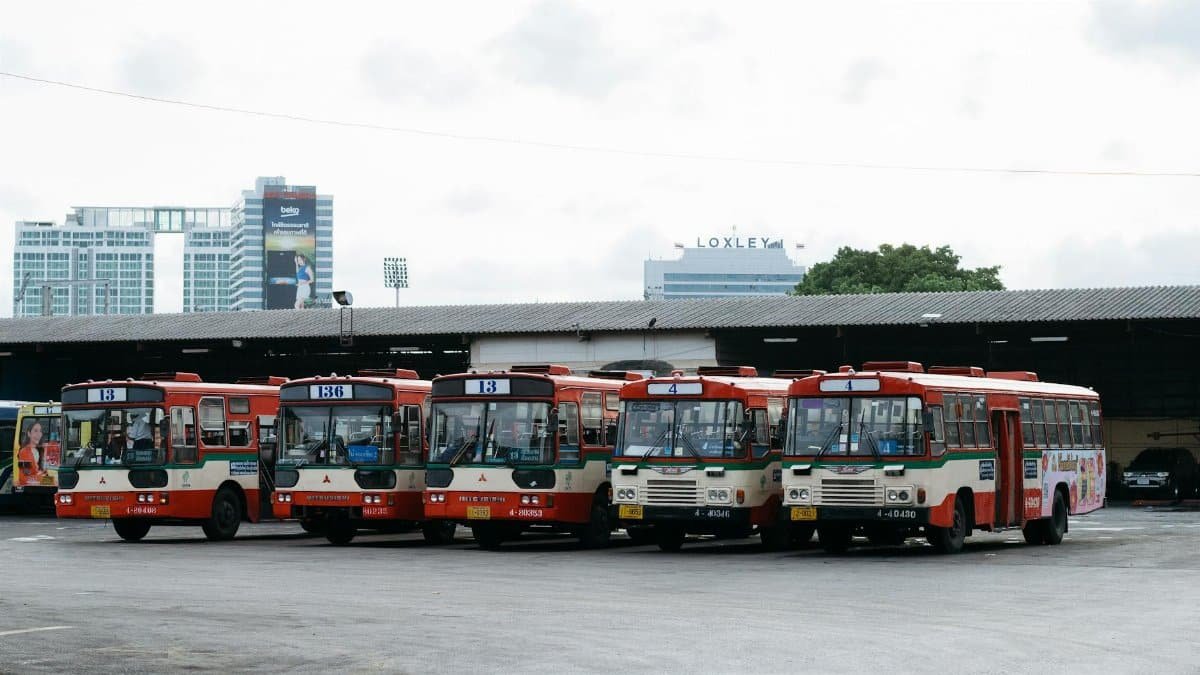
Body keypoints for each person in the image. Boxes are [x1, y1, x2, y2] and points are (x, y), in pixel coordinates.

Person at [16, 420, 48, 486]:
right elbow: (24, 477)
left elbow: (43, 471)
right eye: (35, 431)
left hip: (39, 485)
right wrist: (45, 479)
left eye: (40, 431)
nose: (39, 434)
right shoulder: (24, 452)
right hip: (30, 488)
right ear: (29, 434)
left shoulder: (40, 450)